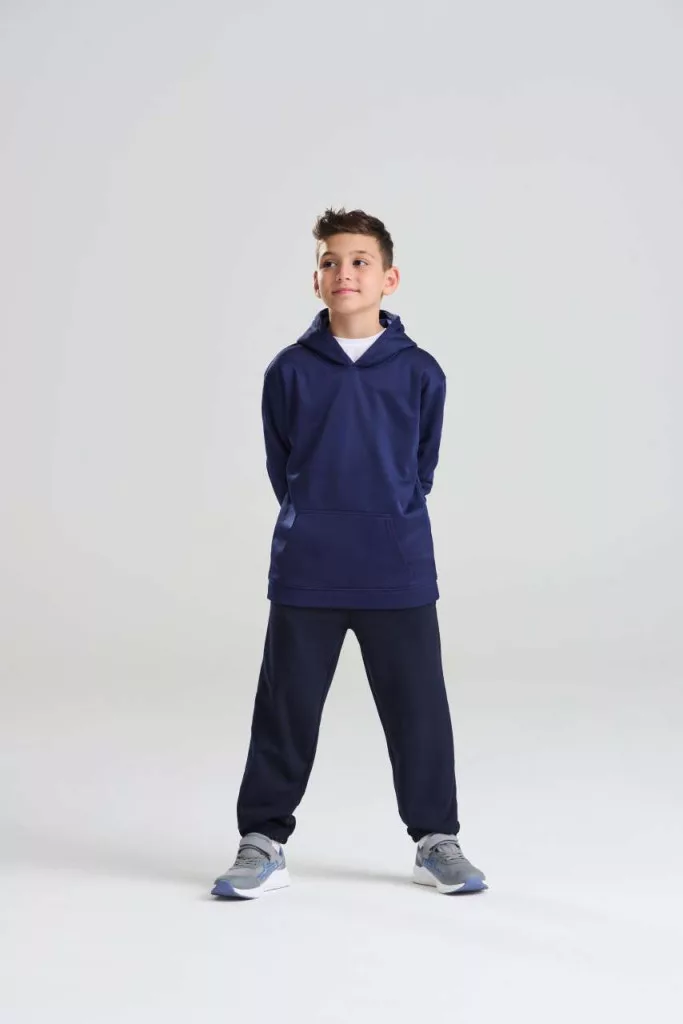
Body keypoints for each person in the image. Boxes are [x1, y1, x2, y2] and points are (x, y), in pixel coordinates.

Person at [211, 208, 487, 899]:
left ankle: (436, 840)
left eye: (360, 261)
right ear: (316, 281)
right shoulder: (289, 371)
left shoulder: (420, 371)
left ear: (389, 278)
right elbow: (284, 467)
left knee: (418, 709)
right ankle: (262, 840)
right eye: (331, 262)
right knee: (286, 709)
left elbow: (420, 469)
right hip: (308, 567)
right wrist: (315, 520)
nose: (345, 272)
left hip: (397, 567)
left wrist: (385, 517)